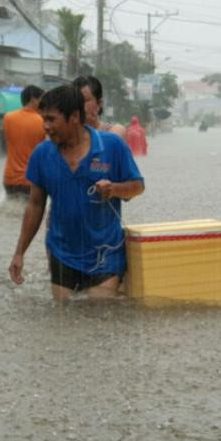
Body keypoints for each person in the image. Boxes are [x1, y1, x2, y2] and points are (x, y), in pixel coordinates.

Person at [9, 84, 145, 301]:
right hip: (62, 252)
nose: (45, 126)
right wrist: (19, 253)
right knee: (64, 317)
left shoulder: (112, 146)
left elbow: (138, 186)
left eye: (51, 119)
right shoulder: (42, 154)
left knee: (99, 308)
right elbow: (35, 205)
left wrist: (114, 189)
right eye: (43, 119)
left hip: (105, 251)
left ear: (73, 117)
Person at [1, 85, 45, 197]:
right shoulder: (44, 123)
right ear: (33, 100)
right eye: (42, 100)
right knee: (31, 212)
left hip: (9, 179)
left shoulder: (8, 118)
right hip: (31, 180)